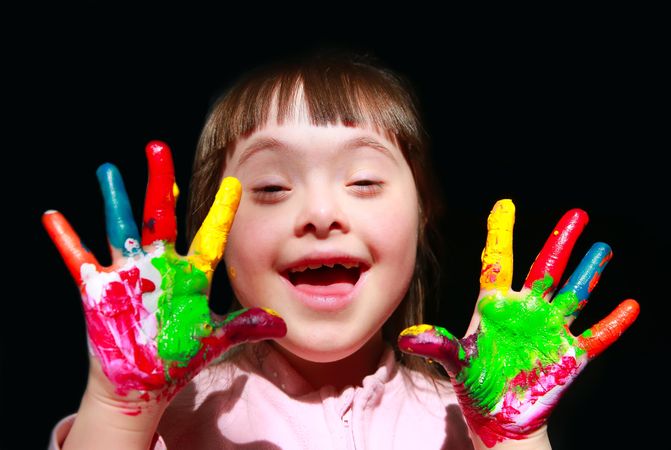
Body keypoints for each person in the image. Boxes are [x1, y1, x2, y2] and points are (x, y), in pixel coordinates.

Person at [43, 50, 639, 450]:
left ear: (422, 216)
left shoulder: (466, 419)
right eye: (273, 187)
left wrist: (513, 439)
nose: (322, 213)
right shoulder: (169, 416)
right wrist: (122, 407)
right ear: (211, 234)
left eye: (363, 182)